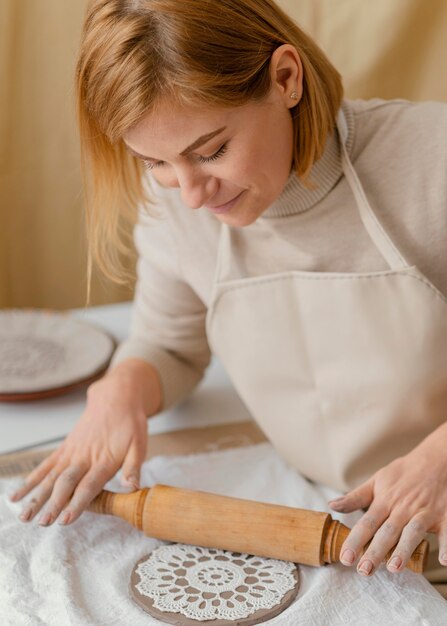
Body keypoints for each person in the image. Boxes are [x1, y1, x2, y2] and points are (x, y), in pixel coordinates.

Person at [10, 0, 447, 590]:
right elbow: (171, 343)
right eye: (155, 162)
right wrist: (121, 390)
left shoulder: (431, 161)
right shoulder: (177, 202)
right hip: (340, 521)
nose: (189, 193)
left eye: (211, 150)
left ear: (286, 79)